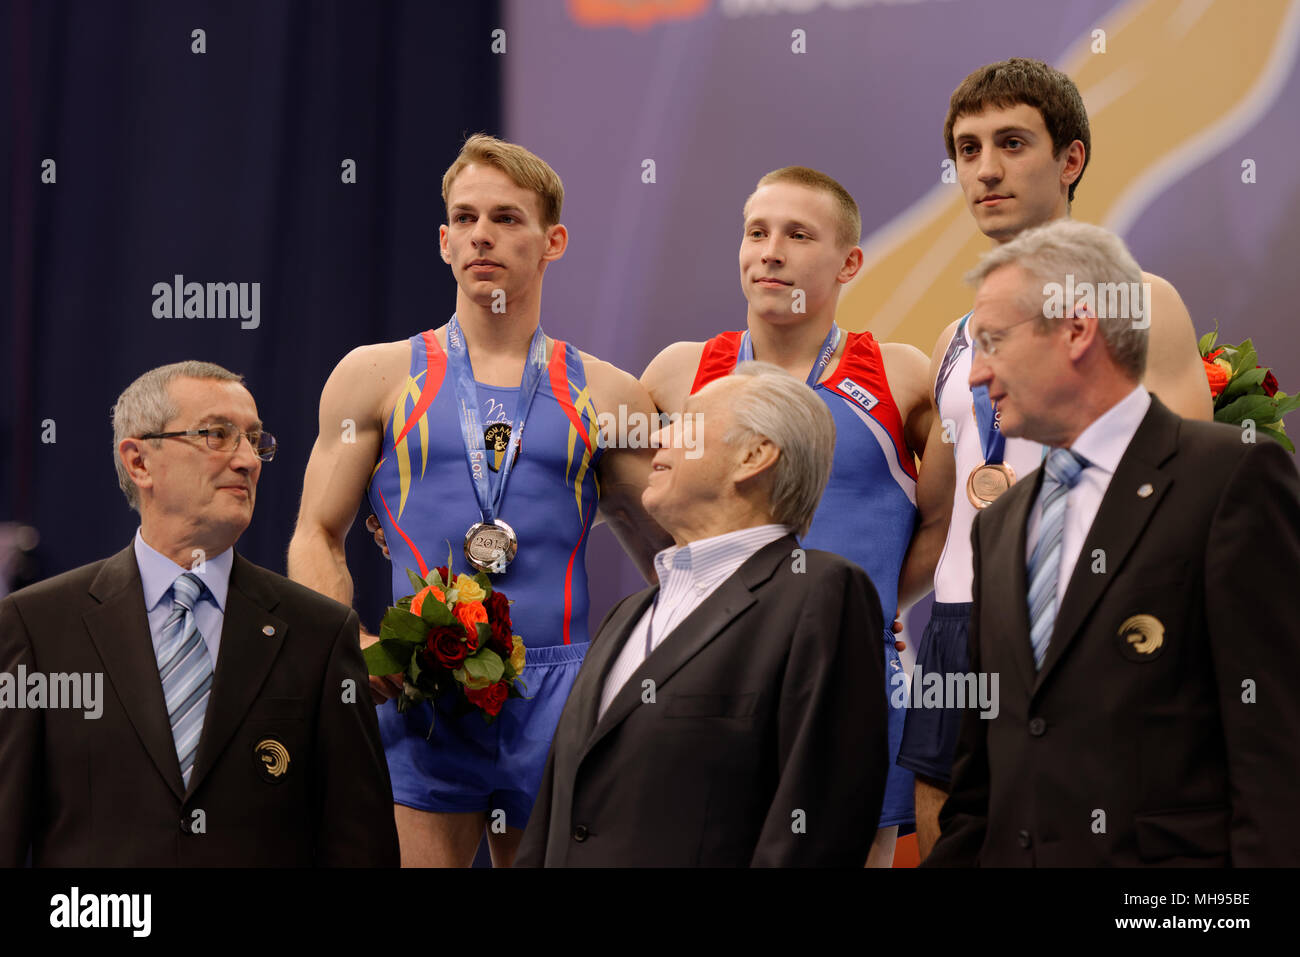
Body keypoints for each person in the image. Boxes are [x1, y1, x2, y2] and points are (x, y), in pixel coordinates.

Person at [288, 135, 669, 868]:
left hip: (558, 694)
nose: (481, 234)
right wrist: (350, 642)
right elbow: (315, 533)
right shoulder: (374, 377)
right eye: (464, 218)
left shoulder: (610, 393)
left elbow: (671, 554)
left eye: (505, 217)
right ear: (443, 240)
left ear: (552, 240)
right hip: (420, 689)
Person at [899, 58, 1215, 859]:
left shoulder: (1139, 302)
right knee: (950, 831)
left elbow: (1182, 502)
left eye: (1011, 143)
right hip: (960, 620)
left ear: (1070, 160)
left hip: (1079, 615)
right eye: (968, 150)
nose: (986, 169)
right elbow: (939, 519)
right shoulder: (954, 339)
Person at [924, 220, 1300, 866]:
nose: (978, 372)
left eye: (993, 341)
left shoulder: (1231, 479)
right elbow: (979, 787)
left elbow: (1276, 756)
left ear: (1077, 329)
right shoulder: (999, 525)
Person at [639, 166, 931, 865]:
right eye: (756, 232)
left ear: (850, 261)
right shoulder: (679, 375)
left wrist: (880, 597)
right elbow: (630, 501)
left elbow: (951, 521)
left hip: (853, 682)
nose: (770, 250)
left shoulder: (901, 375)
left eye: (798, 235)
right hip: (710, 677)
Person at [0, 361, 398, 866]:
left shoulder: (318, 632)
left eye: (255, 441)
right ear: (139, 462)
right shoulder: (37, 627)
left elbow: (360, 846)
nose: (248, 460)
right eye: (218, 435)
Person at [518, 363, 889, 866]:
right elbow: (554, 819)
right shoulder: (626, 615)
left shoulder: (821, 592)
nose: (659, 435)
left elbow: (818, 825)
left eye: (685, 423)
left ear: (753, 456)